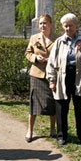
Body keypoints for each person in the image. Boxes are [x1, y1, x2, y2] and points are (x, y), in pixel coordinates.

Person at [46, 13, 81, 145]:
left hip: (79, 77)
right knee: (61, 108)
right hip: (62, 77)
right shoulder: (59, 41)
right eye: (66, 26)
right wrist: (52, 81)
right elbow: (52, 63)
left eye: (70, 25)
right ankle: (62, 136)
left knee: (80, 107)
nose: (68, 28)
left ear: (76, 25)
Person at [25, 14, 56, 142]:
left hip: (51, 75)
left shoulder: (57, 39)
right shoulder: (34, 38)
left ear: (50, 24)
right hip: (36, 75)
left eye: (45, 23)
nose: (43, 26)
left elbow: (60, 56)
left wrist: (51, 60)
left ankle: (53, 129)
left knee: (52, 103)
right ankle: (30, 130)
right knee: (34, 105)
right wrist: (35, 58)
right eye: (41, 23)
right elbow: (28, 53)